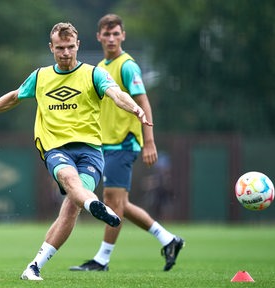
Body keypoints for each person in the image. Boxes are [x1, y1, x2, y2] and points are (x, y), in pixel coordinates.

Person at [0, 22, 152, 281]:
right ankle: (92, 203)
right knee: (68, 178)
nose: (65, 53)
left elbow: (116, 93)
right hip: (55, 147)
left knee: (70, 209)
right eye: (60, 48)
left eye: (70, 47)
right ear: (51, 48)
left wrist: (134, 108)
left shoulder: (93, 74)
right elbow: (13, 97)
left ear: (78, 46)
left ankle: (33, 266)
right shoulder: (41, 76)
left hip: (90, 151)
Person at [69, 14, 184, 273]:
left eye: (116, 34)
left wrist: (149, 142)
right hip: (105, 145)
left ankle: (102, 260)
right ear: (98, 36)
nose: (111, 38)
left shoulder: (127, 66)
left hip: (123, 143)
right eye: (106, 34)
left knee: (113, 202)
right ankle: (169, 240)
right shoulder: (100, 67)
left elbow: (144, 103)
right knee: (120, 203)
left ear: (123, 36)